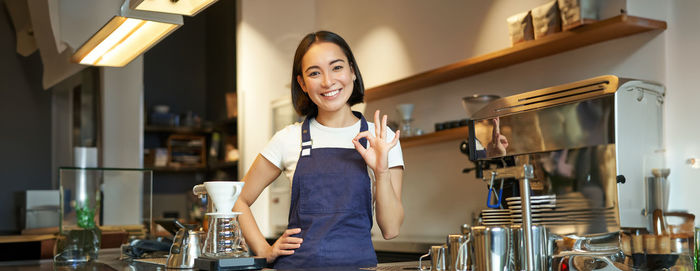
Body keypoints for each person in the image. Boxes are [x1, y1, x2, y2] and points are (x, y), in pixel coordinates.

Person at [233, 30, 405, 269]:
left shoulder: (380, 138)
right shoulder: (288, 139)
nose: (327, 81)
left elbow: (391, 228)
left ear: (352, 71)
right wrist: (264, 250)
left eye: (336, 67)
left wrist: (381, 172)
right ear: (302, 83)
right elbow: (237, 199)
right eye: (314, 73)